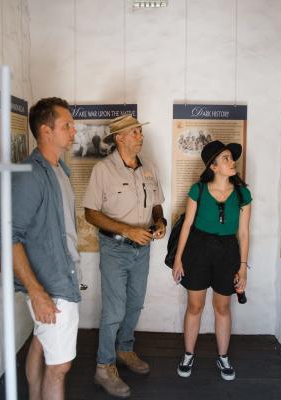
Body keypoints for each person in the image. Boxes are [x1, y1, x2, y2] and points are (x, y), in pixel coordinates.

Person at [1, 97, 79, 400]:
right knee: (60, 366)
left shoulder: (59, 169)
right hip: (52, 285)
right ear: (46, 131)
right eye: (67, 125)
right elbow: (8, 236)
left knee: (41, 341)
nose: (74, 131)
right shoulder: (31, 174)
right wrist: (37, 292)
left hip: (60, 277)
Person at [83, 114, 166, 398]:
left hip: (143, 249)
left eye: (140, 132)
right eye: (135, 132)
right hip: (115, 249)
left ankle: (124, 350)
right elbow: (90, 212)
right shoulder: (103, 170)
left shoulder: (149, 168)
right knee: (114, 310)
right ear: (119, 138)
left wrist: (161, 222)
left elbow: (156, 204)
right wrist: (128, 230)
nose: (141, 137)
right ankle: (104, 367)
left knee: (134, 305)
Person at [171, 140, 252, 381]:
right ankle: (188, 354)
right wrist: (178, 259)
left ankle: (223, 357)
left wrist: (243, 268)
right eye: (226, 158)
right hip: (198, 250)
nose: (232, 161)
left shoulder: (242, 193)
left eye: (231, 157)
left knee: (223, 307)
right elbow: (186, 225)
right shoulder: (198, 189)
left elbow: (245, 233)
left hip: (228, 252)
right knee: (195, 306)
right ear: (213, 166)